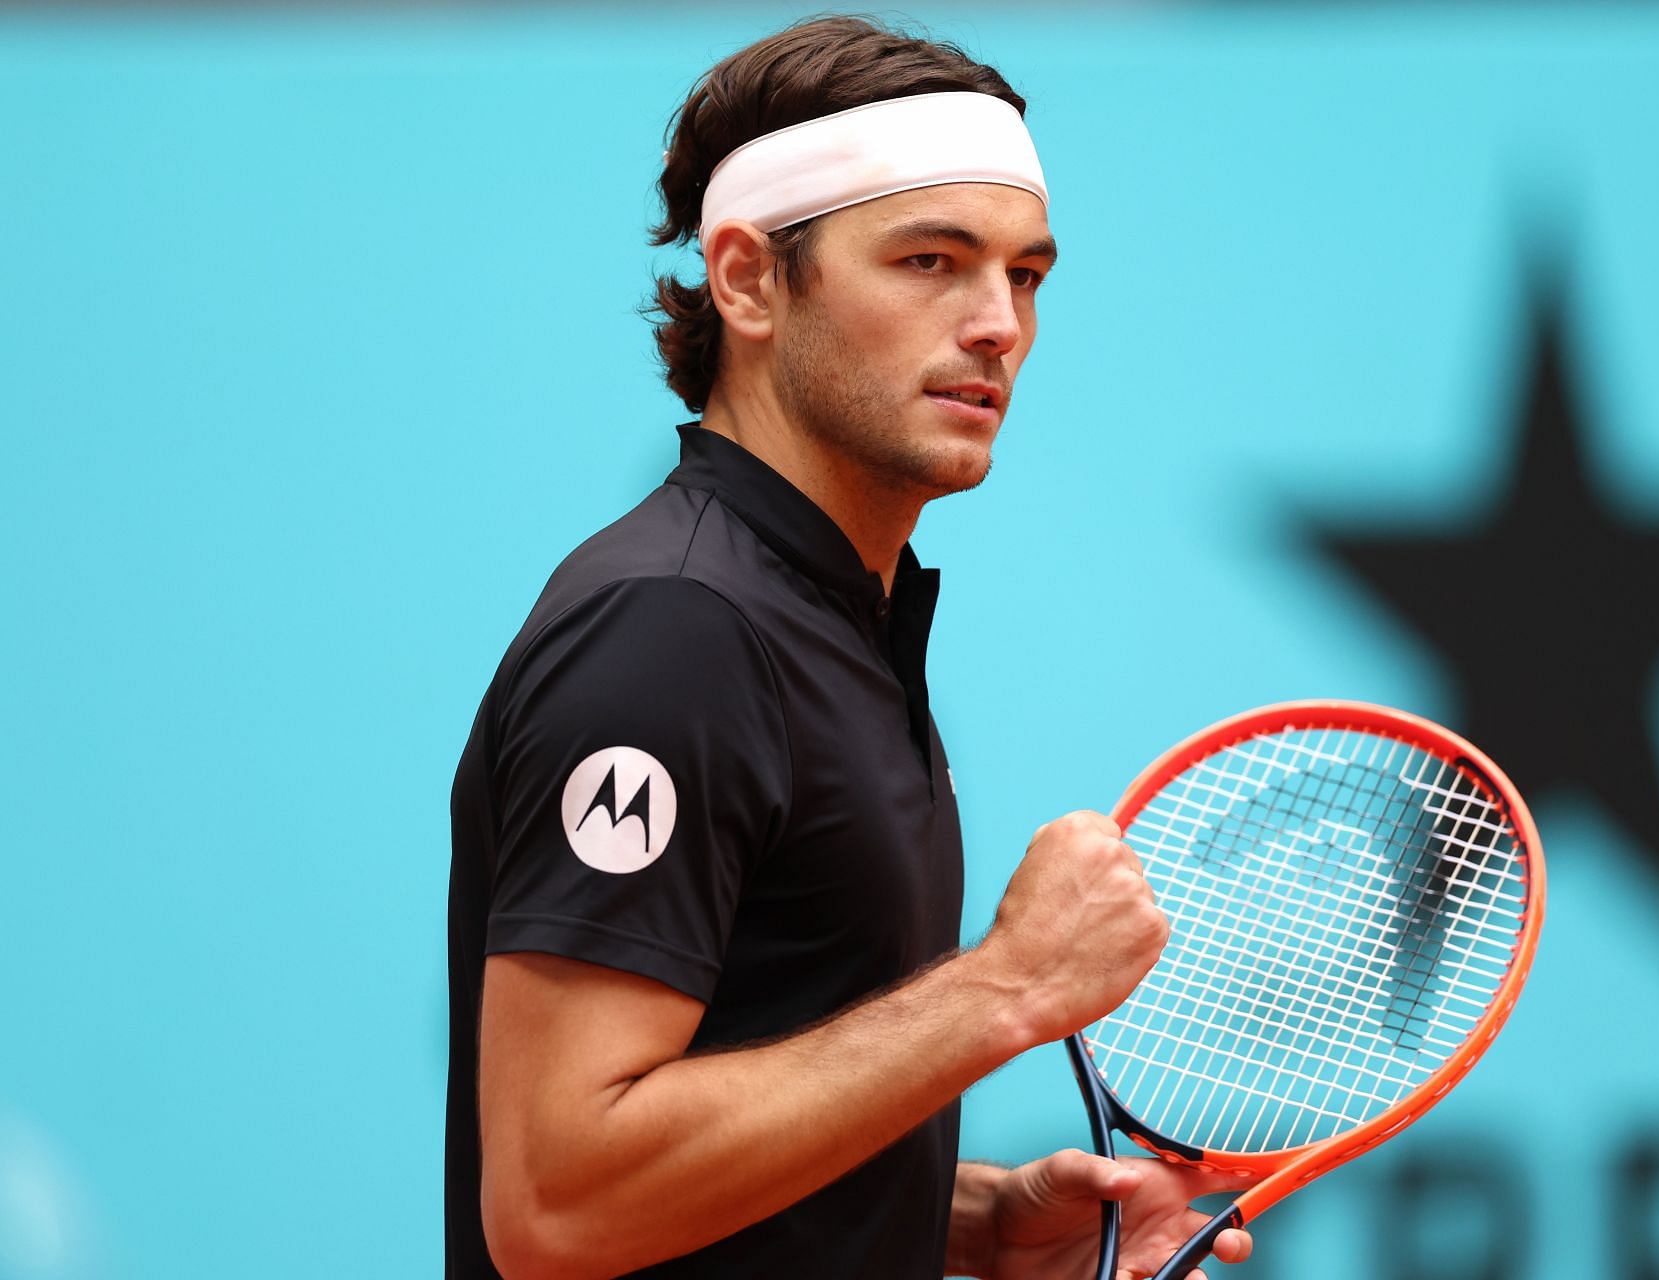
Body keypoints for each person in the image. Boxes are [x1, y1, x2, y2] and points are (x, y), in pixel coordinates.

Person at [446, 15, 1258, 1279]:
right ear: (748, 279)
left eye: (1026, 274)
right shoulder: (674, 630)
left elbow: (724, 1110)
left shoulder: (830, 619)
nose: (997, 322)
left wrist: (966, 1219)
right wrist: (1005, 987)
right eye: (930, 260)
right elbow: (559, 1195)